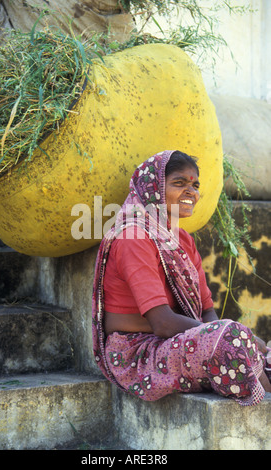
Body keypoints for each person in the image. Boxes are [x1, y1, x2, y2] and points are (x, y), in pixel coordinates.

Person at [92, 150, 271, 405]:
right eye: (179, 183)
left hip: (179, 341)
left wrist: (223, 332)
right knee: (233, 338)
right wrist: (240, 337)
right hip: (138, 354)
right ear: (153, 190)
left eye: (195, 185)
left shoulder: (183, 240)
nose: (192, 192)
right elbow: (163, 324)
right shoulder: (133, 237)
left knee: (241, 341)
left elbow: (207, 312)